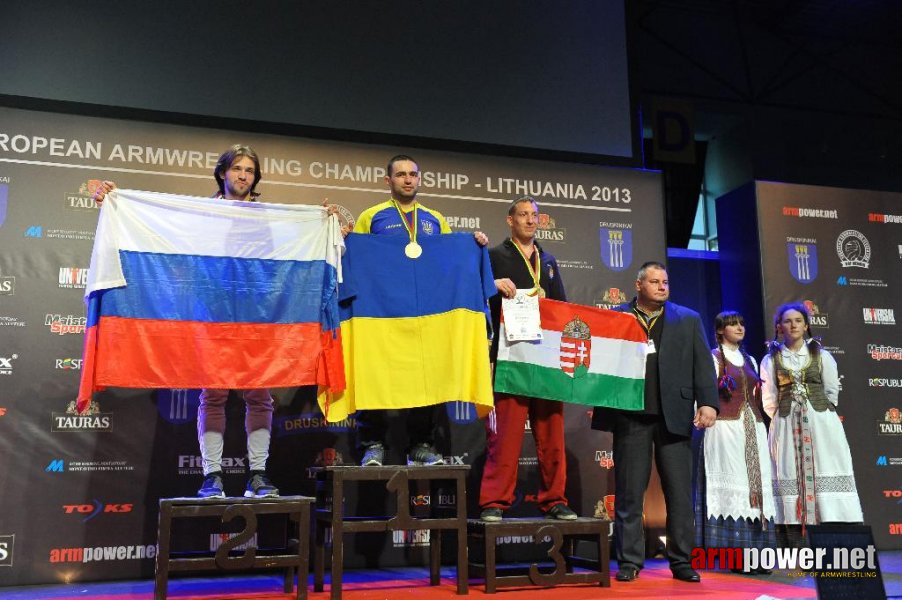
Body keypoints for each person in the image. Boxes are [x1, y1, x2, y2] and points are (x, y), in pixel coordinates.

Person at [91, 144, 308, 499]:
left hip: (256, 317)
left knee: (260, 397)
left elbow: (299, 245)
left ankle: (258, 475)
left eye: (250, 171)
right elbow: (159, 232)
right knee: (213, 395)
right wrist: (118, 204)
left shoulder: (269, 218)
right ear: (222, 172)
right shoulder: (201, 214)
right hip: (212, 315)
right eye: (237, 168)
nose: (243, 176)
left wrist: (328, 226)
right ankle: (213, 477)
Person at [350, 154, 488, 467]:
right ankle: (372, 444)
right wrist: (345, 240)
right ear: (388, 181)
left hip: (426, 315)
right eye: (401, 175)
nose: (408, 179)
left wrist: (473, 244)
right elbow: (356, 257)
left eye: (413, 174)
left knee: (428, 375)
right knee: (374, 374)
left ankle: (421, 446)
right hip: (382, 313)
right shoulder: (371, 217)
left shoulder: (435, 219)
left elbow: (450, 262)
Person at [591, 261, 718, 583]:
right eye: (654, 281)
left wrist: (708, 403)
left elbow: (703, 365)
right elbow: (600, 362)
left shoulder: (688, 319)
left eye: (665, 281)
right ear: (639, 285)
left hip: (674, 415)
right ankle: (630, 562)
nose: (662, 286)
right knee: (630, 493)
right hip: (630, 415)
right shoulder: (617, 316)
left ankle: (682, 561)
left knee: (679, 495)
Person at [478, 196, 576, 522]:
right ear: (510, 220)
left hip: (545, 356)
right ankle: (494, 501)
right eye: (523, 215)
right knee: (505, 434)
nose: (530, 220)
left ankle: (555, 500)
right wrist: (492, 286)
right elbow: (474, 297)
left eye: (534, 215)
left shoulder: (548, 260)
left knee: (552, 433)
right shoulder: (493, 256)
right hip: (510, 356)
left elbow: (562, 307)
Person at [760, 303, 863, 530]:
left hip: (820, 422)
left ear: (806, 325)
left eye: (798, 320)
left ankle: (831, 520)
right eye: (788, 321)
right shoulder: (770, 360)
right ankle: (795, 529)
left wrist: (816, 412)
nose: (793, 325)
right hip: (786, 424)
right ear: (779, 326)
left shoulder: (821, 355)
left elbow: (831, 392)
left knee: (825, 463)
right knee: (788, 468)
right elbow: (769, 399)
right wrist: (787, 417)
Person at [695, 311, 775, 573]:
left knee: (756, 485)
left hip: (753, 428)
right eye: (732, 324)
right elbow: (702, 388)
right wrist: (701, 412)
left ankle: (758, 555)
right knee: (735, 486)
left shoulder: (751, 359)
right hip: (725, 429)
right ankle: (737, 555)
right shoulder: (712, 357)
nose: (739, 327)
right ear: (720, 331)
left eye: (741, 323)